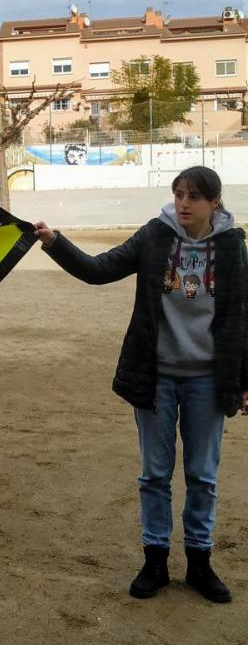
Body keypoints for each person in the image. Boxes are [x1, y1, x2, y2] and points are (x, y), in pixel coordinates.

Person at [34, 166, 248, 603]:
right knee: (154, 474)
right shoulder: (155, 235)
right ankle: (155, 560)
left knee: (202, 476)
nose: (183, 203)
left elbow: (241, 317)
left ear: (214, 202)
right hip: (156, 377)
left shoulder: (231, 246)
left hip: (207, 380)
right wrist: (54, 242)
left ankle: (200, 562)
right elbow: (99, 269)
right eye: (178, 194)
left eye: (193, 196)